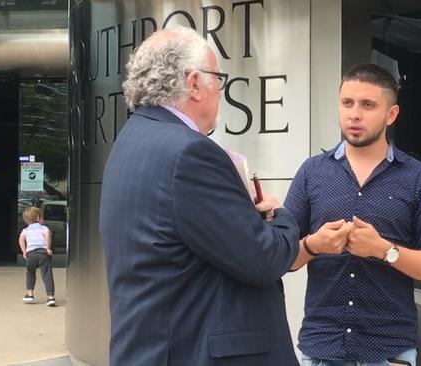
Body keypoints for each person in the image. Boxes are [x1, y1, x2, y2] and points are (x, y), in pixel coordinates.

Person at [99, 27, 300, 366]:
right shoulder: (190, 153)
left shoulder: (131, 140)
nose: (220, 90)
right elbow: (263, 259)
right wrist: (282, 217)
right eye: (217, 78)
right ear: (192, 83)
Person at [284, 64, 421, 366]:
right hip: (322, 348)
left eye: (368, 105)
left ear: (391, 114)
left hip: (388, 351)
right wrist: (313, 245)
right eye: (347, 103)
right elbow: (279, 256)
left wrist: (382, 250)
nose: (354, 114)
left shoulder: (418, 177)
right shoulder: (312, 173)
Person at [18, 206, 56, 307]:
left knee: (30, 273)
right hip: (43, 253)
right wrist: (48, 248)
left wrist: (24, 252)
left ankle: (30, 294)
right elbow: (48, 235)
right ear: (38, 218)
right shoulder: (44, 228)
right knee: (47, 274)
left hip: (31, 254)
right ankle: (50, 297)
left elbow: (21, 239)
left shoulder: (25, 230)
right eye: (42, 217)